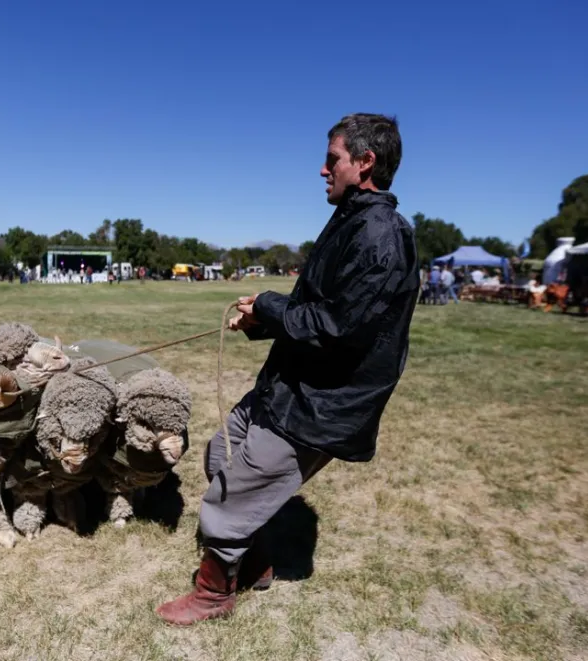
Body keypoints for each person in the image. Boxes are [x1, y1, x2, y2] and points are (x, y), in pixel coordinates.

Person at [155, 113, 420, 626]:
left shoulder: (380, 235)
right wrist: (261, 320)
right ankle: (253, 561)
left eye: (332, 160)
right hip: (289, 386)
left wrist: (269, 305)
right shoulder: (351, 219)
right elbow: (316, 310)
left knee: (229, 500)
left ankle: (213, 593)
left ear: (365, 162)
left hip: (321, 402)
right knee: (220, 453)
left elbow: (338, 328)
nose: (323, 170)